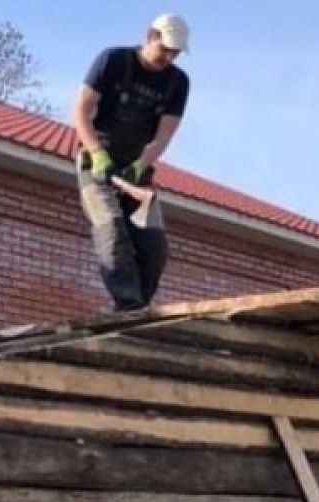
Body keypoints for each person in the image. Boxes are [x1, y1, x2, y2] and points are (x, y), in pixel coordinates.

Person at [72, 13, 191, 311]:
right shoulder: (113, 61)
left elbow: (163, 136)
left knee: (154, 247)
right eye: (165, 49)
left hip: (137, 170)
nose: (168, 57)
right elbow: (80, 112)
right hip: (96, 165)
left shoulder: (177, 82)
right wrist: (98, 153)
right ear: (150, 37)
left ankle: (138, 309)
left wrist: (140, 165)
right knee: (112, 231)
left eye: (175, 53)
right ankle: (127, 303)